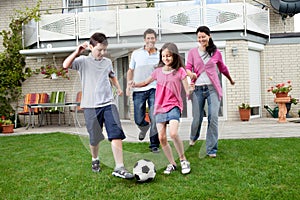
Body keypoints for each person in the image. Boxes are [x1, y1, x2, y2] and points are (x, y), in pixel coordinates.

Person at [63, 32, 134, 179]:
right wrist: (77, 51)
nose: (102, 53)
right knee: (94, 138)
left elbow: (112, 76)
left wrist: (119, 87)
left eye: (104, 49)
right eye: (99, 50)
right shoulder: (82, 61)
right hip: (90, 106)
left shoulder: (107, 62)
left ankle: (119, 166)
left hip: (108, 103)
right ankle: (95, 158)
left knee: (116, 133)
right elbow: (65, 65)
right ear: (90, 47)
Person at [131, 43, 194, 175]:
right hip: (159, 108)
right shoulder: (157, 71)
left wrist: (191, 89)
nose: (166, 58)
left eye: (169, 56)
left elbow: (187, 89)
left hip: (174, 106)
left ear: (174, 56)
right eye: (164, 56)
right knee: (162, 138)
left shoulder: (180, 72)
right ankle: (172, 163)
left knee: (173, 133)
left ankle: (183, 160)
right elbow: (145, 83)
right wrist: (134, 84)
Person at [186, 26, 235, 158]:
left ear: (209, 36)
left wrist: (230, 79)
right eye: (199, 37)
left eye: (203, 36)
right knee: (197, 118)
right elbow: (187, 68)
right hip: (197, 89)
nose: (201, 39)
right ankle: (193, 136)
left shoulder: (216, 53)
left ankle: (211, 149)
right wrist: (191, 74)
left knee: (213, 117)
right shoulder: (192, 52)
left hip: (212, 89)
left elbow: (223, 68)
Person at [126, 28, 160, 153]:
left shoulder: (160, 54)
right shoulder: (136, 53)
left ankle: (154, 145)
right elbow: (130, 70)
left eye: (152, 38)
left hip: (154, 88)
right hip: (138, 89)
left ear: (155, 39)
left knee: (154, 116)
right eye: (148, 38)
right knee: (138, 119)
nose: (150, 40)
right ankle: (144, 127)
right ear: (144, 40)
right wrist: (128, 85)